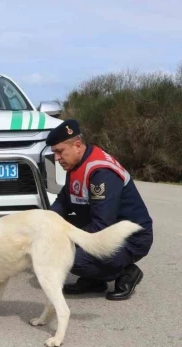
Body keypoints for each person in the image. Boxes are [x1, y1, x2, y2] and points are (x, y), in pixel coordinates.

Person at [47, 119, 153, 300]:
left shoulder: (101, 172)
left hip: (130, 239)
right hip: (100, 226)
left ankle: (125, 271)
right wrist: (43, 225)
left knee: (65, 256)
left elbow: (102, 225)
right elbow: (62, 203)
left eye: (59, 151)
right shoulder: (76, 164)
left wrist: (61, 239)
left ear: (77, 146)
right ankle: (94, 279)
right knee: (52, 240)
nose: (56, 158)